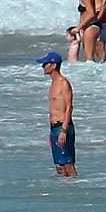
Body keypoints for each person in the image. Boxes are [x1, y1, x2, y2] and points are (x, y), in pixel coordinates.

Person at [41, 49, 76, 177]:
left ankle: (78, 190)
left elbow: (69, 107)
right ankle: (67, 194)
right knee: (60, 167)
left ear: (54, 65)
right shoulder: (53, 84)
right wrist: (51, 133)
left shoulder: (63, 83)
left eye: (45, 64)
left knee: (68, 164)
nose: (43, 66)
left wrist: (64, 130)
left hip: (63, 127)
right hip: (55, 128)